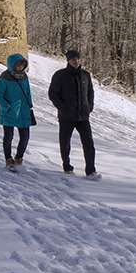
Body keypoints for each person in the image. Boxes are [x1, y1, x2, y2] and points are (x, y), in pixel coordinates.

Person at [49, 49, 98, 178]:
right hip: (66, 116)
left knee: (89, 144)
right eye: (72, 59)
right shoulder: (60, 75)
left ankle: (91, 170)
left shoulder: (85, 75)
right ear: (68, 60)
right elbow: (53, 94)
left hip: (83, 116)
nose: (75, 61)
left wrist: (89, 107)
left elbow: (90, 93)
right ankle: (67, 166)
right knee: (65, 143)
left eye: (77, 58)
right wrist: (62, 107)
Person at [0, 53, 36, 170]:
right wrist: (7, 106)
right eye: (18, 64)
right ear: (12, 65)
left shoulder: (24, 76)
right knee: (8, 136)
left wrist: (29, 104)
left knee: (25, 137)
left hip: (23, 110)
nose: (20, 67)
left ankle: (19, 157)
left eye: (22, 64)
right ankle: (8, 159)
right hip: (9, 111)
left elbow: (27, 92)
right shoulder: (4, 77)